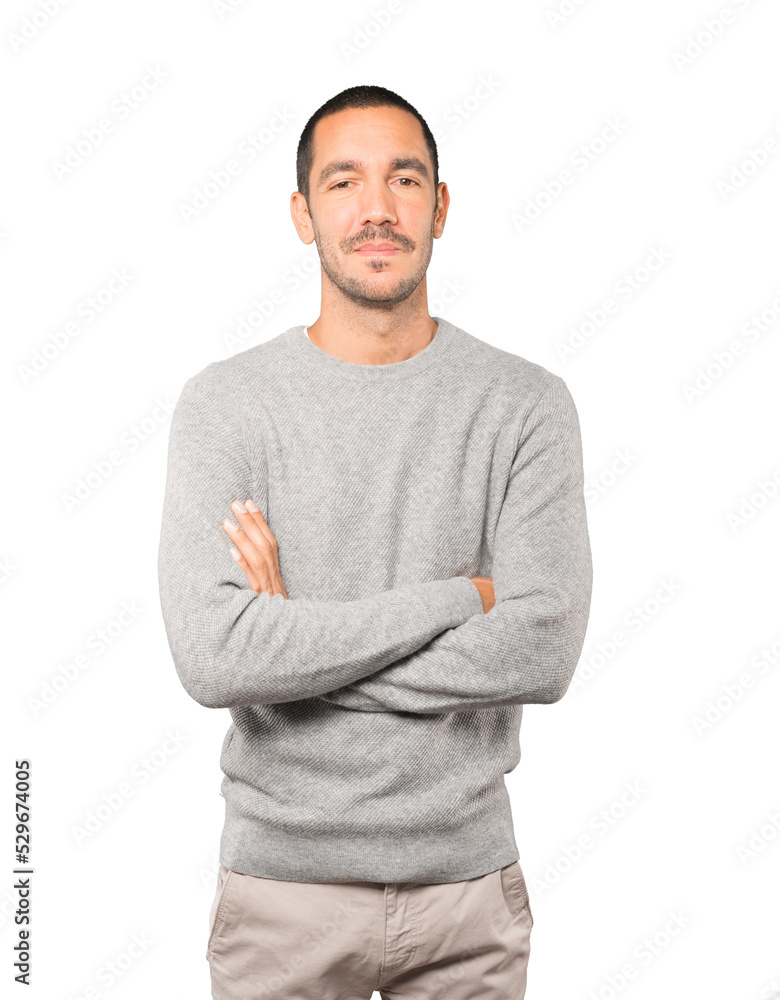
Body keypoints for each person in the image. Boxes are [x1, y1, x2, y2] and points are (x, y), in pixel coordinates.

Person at [157, 83, 593, 1000]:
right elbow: (212, 657)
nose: (377, 208)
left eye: (404, 178)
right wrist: (462, 598)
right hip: (282, 896)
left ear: (440, 205)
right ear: (302, 214)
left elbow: (545, 647)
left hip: (467, 894)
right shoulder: (227, 405)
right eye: (343, 180)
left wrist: (295, 641)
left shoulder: (524, 405)